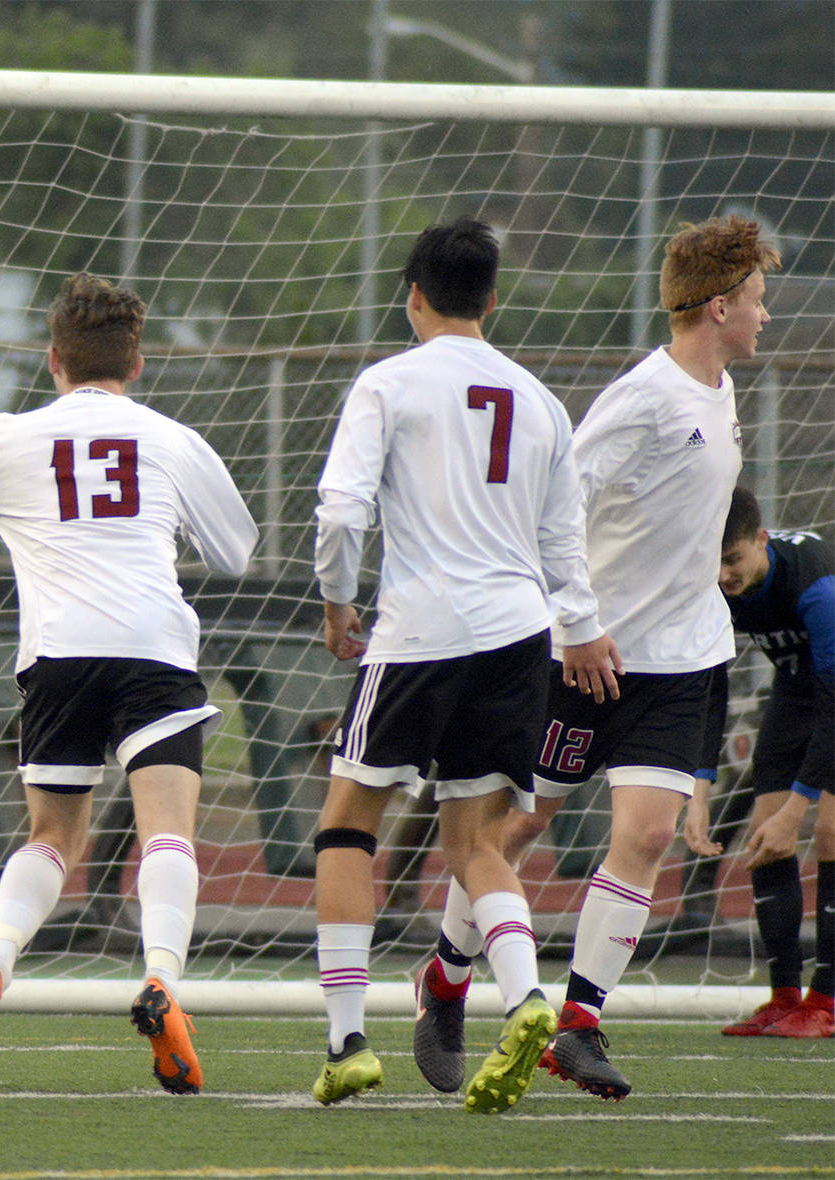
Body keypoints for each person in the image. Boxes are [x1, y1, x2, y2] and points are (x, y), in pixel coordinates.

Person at [415, 214, 778, 1101]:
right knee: (517, 830)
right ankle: (446, 980)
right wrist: (575, 622)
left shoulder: (722, 390)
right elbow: (559, 497)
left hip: (682, 661)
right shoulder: (644, 396)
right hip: (588, 658)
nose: (766, 315)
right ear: (719, 306)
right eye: (759, 300)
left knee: (648, 836)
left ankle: (579, 1023)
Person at [0, 273, 259, 1095]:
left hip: (60, 658)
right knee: (166, 831)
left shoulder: (13, 436)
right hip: (154, 650)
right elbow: (237, 552)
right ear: (136, 364)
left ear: (54, 361)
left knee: (54, 834)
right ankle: (161, 979)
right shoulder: (171, 439)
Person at [311, 217, 615, 1114]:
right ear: (492, 299)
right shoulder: (542, 401)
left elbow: (341, 509)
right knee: (478, 843)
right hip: (519, 634)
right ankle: (525, 997)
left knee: (345, 828)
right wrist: (581, 626)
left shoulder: (388, 382)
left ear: (413, 296)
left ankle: (347, 1042)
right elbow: (563, 542)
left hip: (422, 630)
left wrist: (337, 600)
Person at [689, 486, 833, 1038]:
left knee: (828, 832)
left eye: (733, 559)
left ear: (762, 541)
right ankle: (784, 997)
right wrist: (701, 787)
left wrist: (798, 810)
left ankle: (827, 1002)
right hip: (796, 688)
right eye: (715, 561)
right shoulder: (712, 589)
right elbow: (710, 687)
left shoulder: (817, 587)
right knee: (764, 831)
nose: (723, 574)